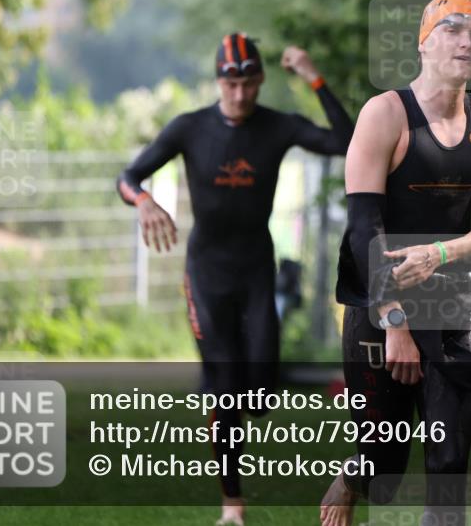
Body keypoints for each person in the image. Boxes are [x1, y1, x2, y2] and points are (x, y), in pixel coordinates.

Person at [117, 34, 354, 526]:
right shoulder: (190, 128)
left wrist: (315, 77)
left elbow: (346, 142)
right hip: (206, 272)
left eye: (249, 83)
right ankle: (232, 505)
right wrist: (143, 203)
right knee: (226, 386)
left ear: (261, 80)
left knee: (261, 396)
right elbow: (128, 177)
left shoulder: (277, 127)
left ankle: (228, 402)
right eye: (232, 83)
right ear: (218, 81)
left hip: (255, 270)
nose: (241, 93)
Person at [321, 0, 471, 526]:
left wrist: (440, 252)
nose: (467, 42)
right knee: (384, 461)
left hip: (455, 297)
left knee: (450, 459)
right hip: (379, 297)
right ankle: (356, 473)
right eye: (452, 30)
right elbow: (365, 228)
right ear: (423, 43)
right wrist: (395, 322)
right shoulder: (385, 114)